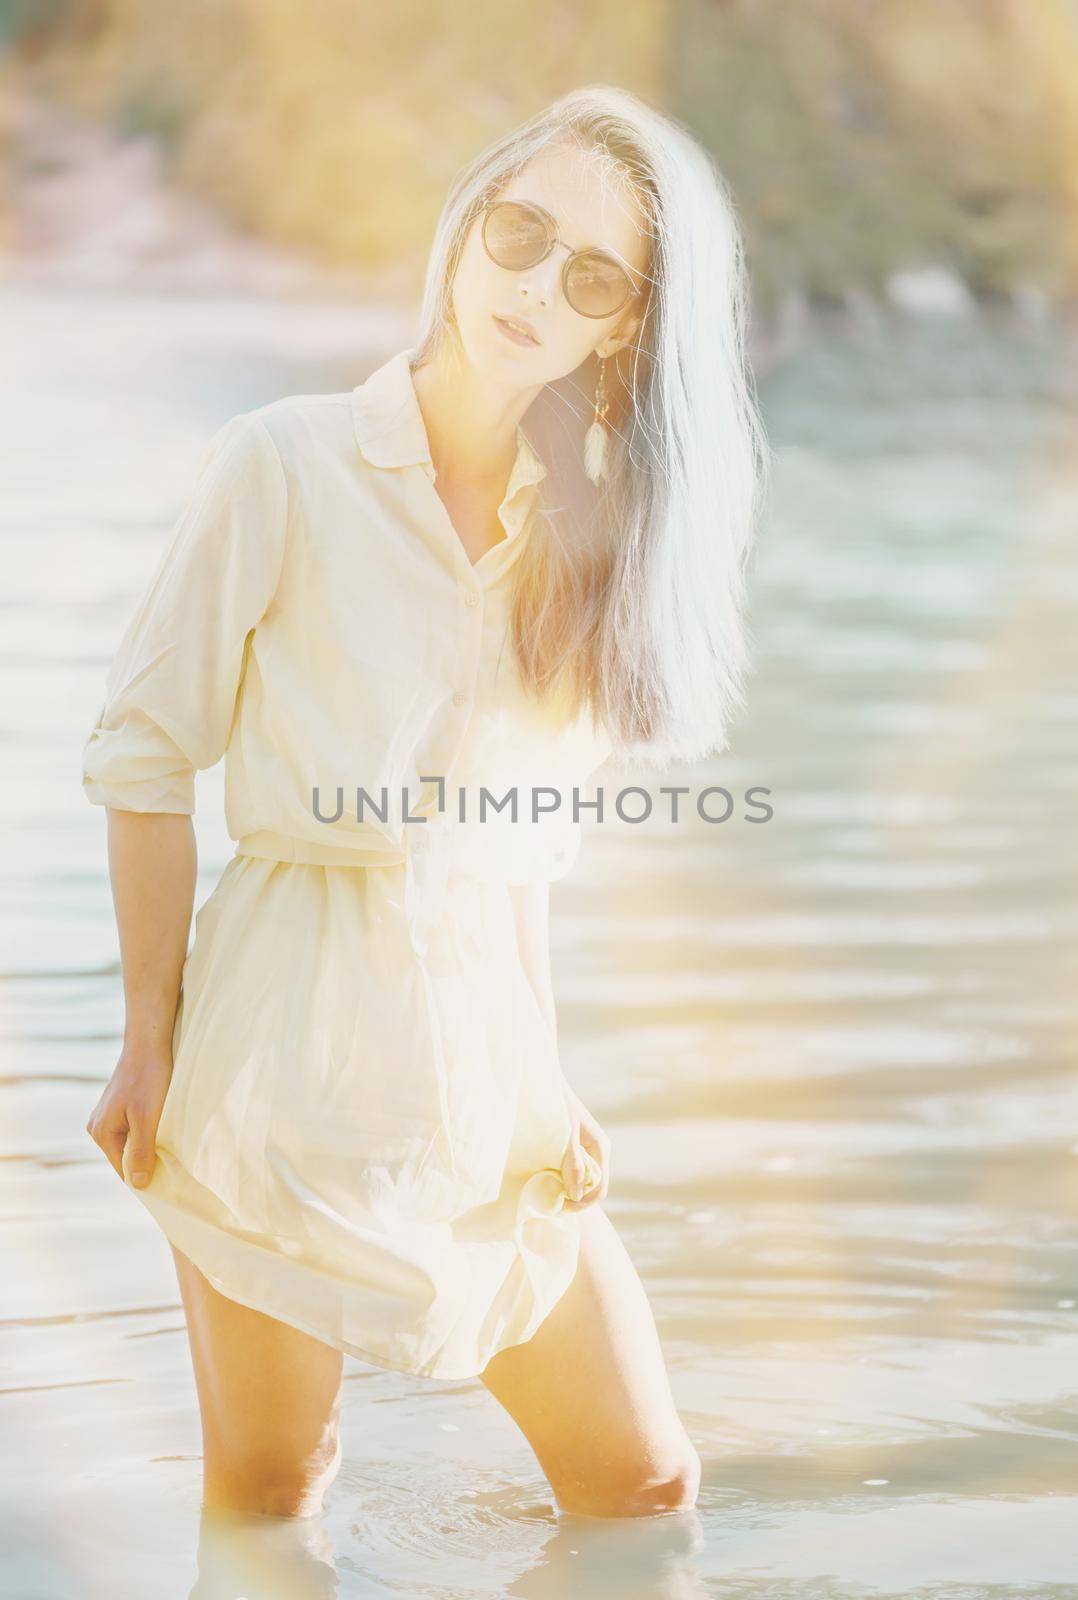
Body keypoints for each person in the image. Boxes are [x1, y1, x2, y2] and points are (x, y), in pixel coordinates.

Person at [81, 84, 767, 1524]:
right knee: (276, 1485)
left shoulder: (588, 546)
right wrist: (148, 1037)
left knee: (641, 1480)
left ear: (623, 326)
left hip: (483, 1074)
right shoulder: (285, 462)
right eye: (520, 231)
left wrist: (552, 1075)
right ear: (466, 228)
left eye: (590, 273)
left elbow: (521, 861)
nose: (534, 283)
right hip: (276, 1050)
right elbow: (146, 756)